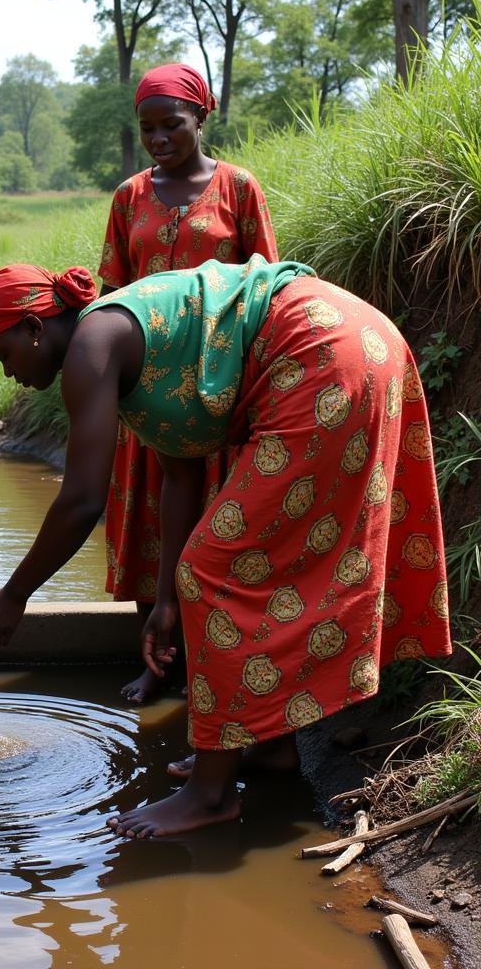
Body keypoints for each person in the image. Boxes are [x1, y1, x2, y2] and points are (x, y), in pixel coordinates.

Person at [0, 258, 451, 836]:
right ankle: (269, 746)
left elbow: (81, 500)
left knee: (216, 572)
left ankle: (210, 795)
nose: (8, 374)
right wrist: (167, 602)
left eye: (4, 356)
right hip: (353, 343)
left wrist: (14, 595)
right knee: (225, 567)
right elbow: (182, 474)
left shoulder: (91, 348)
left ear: (34, 328)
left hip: (320, 358)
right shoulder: (129, 342)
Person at [98, 63, 279, 706]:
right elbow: (111, 292)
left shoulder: (238, 188)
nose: (158, 139)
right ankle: (158, 664)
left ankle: (213, 668)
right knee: (153, 524)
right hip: (151, 391)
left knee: (218, 524)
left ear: (202, 117)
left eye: (171, 124)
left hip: (219, 389)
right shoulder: (129, 197)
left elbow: (265, 286)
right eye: (147, 128)